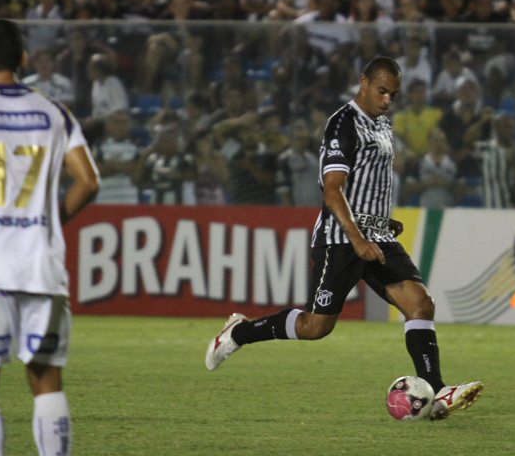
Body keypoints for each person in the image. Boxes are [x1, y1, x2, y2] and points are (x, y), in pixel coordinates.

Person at [205, 56, 483, 421]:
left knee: (420, 303)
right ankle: (239, 333)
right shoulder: (343, 124)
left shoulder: (382, 125)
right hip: (341, 238)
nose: (387, 99)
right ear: (364, 82)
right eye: (382, 90)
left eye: (393, 94)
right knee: (315, 326)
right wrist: (357, 238)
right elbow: (332, 190)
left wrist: (381, 222)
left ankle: (436, 391)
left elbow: (366, 184)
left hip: (376, 235)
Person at [0, 19, 100, 456]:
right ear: (24, 59)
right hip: (39, 262)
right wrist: (50, 219)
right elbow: (88, 181)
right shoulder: (54, 111)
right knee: (46, 377)